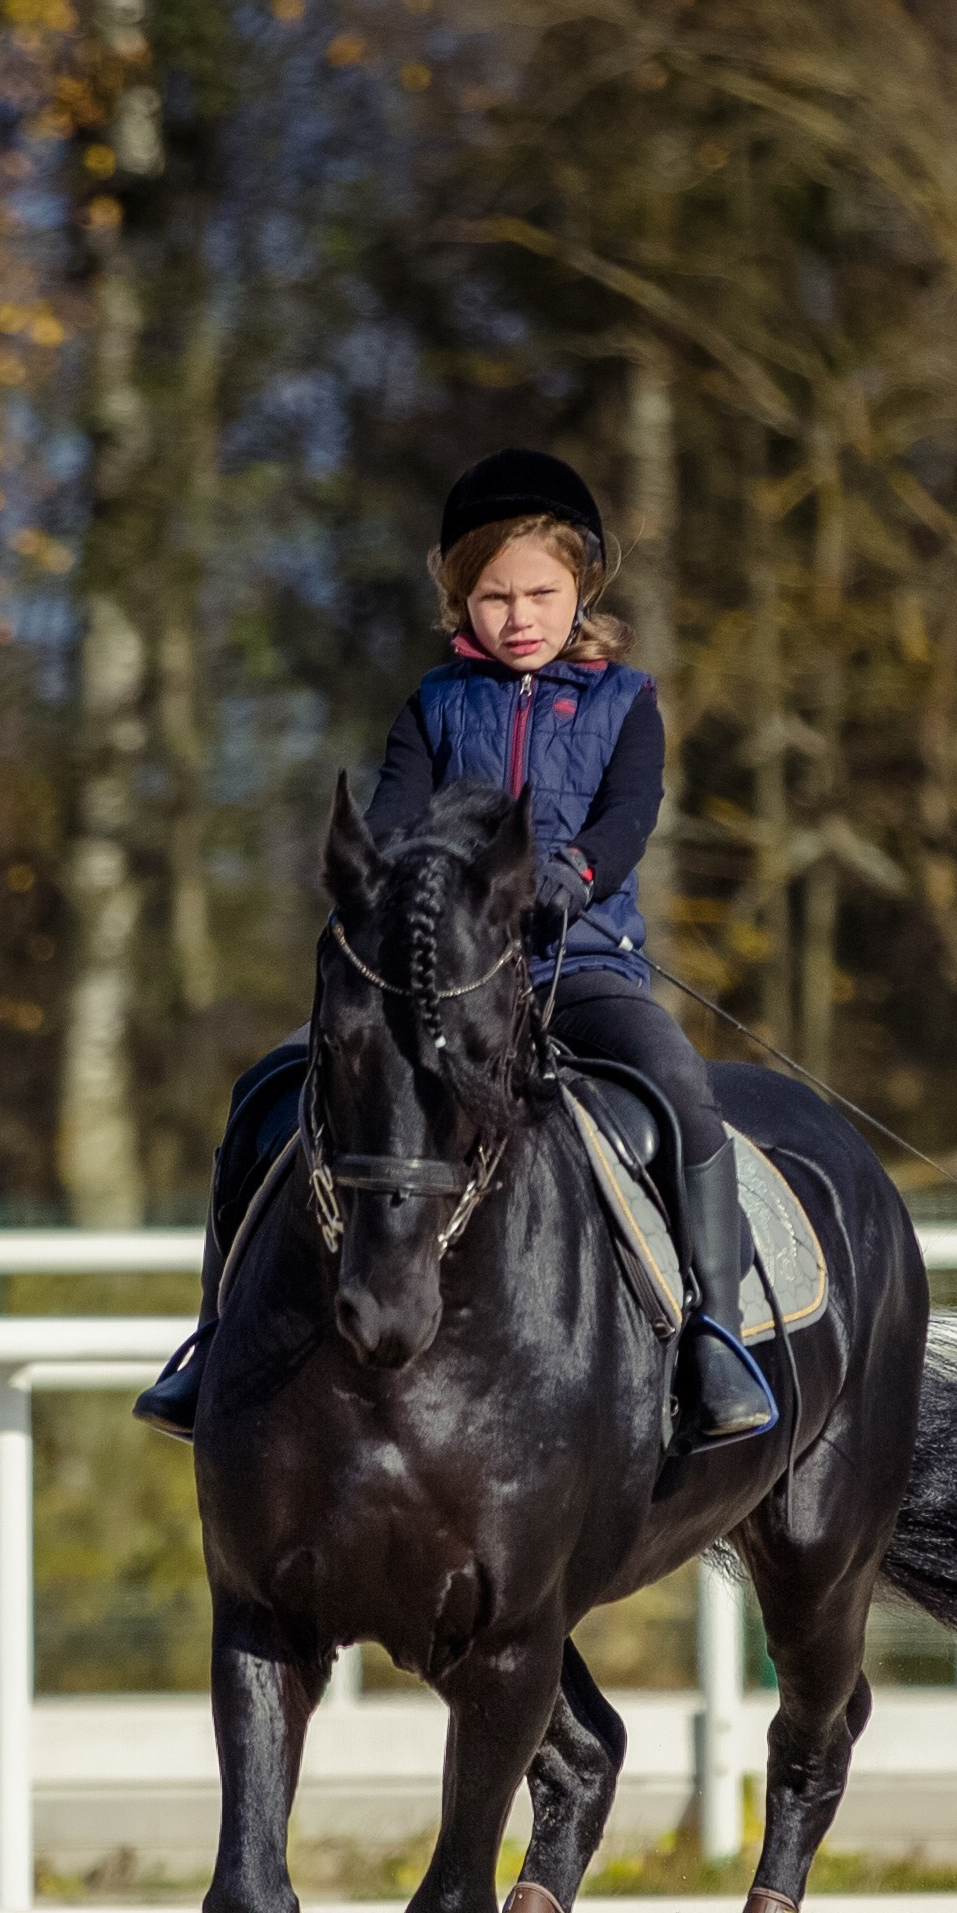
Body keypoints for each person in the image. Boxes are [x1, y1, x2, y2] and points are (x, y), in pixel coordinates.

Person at [134, 445, 778, 1450]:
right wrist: (379, 888)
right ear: (459, 599)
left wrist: (575, 874)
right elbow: (392, 823)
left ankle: (715, 1338)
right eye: (492, 597)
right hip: (437, 983)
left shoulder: (627, 703)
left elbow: (629, 813)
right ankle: (214, 1341)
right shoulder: (434, 707)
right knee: (262, 1093)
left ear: (583, 588)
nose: (518, 617)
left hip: (582, 965)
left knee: (678, 1083)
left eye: (540, 593)